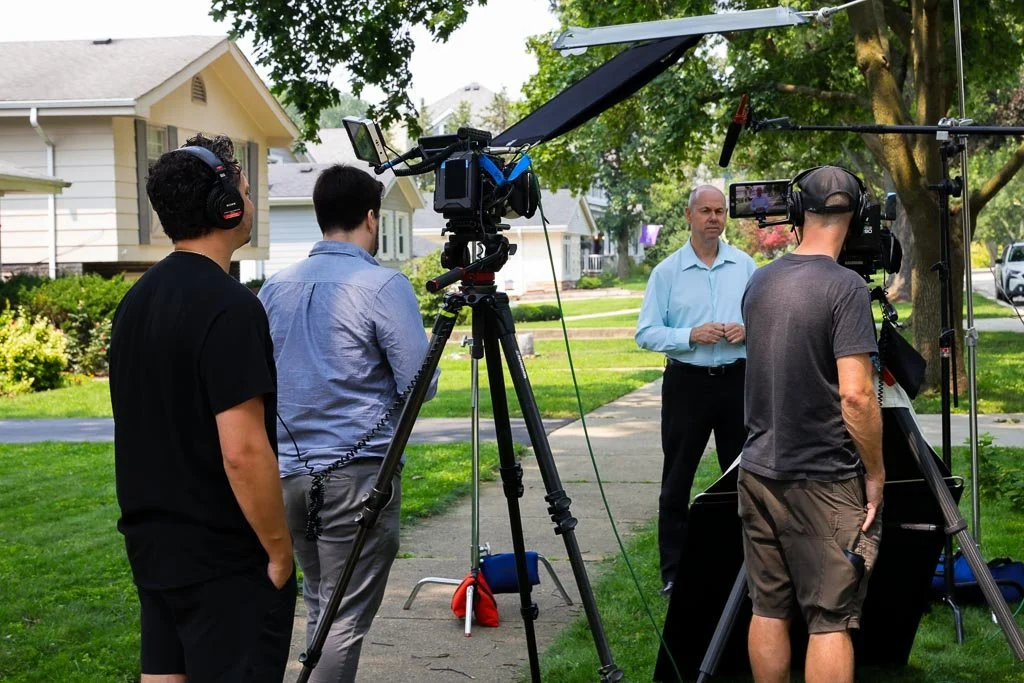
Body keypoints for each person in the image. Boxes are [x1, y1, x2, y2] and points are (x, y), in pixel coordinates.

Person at [108, 134, 295, 683]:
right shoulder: (230, 307)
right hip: (224, 561)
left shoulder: (134, 303)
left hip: (154, 551)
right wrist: (279, 553)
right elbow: (243, 451)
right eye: (245, 190)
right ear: (226, 206)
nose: (250, 201)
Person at [258, 164, 439, 683]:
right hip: (357, 479)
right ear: (371, 217)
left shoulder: (274, 287)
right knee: (344, 618)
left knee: (321, 602)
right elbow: (420, 384)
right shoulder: (383, 285)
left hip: (288, 475)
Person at [738, 166, 884, 683]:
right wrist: (876, 473)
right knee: (829, 619)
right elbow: (856, 395)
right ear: (857, 217)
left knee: (767, 606)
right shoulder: (846, 288)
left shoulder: (759, 280)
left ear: (798, 213)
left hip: (758, 470)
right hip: (823, 479)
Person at [635, 184, 756, 596]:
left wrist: (748, 330)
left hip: (737, 382)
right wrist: (690, 335)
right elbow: (646, 332)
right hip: (686, 385)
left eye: (719, 211)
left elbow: (766, 320)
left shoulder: (745, 266)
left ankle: (741, 568)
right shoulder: (667, 272)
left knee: (742, 477)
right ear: (689, 216)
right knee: (677, 479)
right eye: (705, 211)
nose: (714, 218)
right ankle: (674, 572)